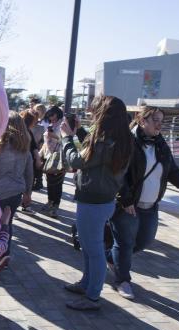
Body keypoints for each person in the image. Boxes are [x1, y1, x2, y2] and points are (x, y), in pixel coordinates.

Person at [108, 106, 179, 300]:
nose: (160, 124)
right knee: (125, 243)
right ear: (142, 121)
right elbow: (118, 174)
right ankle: (122, 280)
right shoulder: (127, 142)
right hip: (127, 205)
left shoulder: (161, 144)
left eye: (162, 120)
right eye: (155, 119)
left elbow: (173, 172)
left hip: (150, 205)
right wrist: (125, 199)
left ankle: (110, 257)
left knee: (144, 241)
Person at [61, 95, 133, 311]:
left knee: (94, 250)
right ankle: (86, 284)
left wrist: (66, 138)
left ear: (104, 114)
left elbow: (78, 160)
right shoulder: (122, 138)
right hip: (104, 200)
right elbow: (95, 157)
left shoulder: (103, 140)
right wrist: (81, 133)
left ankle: (93, 296)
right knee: (90, 246)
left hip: (93, 201)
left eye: (95, 111)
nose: (92, 114)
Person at [0, 111, 33, 269]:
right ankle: (5, 255)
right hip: (16, 192)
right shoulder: (25, 147)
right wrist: (28, 192)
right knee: (7, 224)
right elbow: (29, 172)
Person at [41, 106, 65, 218]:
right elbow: (46, 143)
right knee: (50, 183)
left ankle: (55, 206)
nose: (51, 117)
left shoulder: (63, 124)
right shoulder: (51, 125)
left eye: (53, 115)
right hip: (49, 156)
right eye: (49, 115)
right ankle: (50, 202)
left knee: (57, 183)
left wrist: (53, 136)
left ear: (58, 114)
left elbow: (67, 140)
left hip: (59, 158)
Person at [19, 109, 42, 212]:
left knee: (26, 183)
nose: (37, 121)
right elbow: (33, 147)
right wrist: (37, 159)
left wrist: (37, 158)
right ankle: (25, 204)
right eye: (35, 119)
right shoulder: (25, 131)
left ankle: (25, 204)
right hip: (25, 163)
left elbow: (33, 147)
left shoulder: (26, 131)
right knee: (27, 183)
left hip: (26, 162)